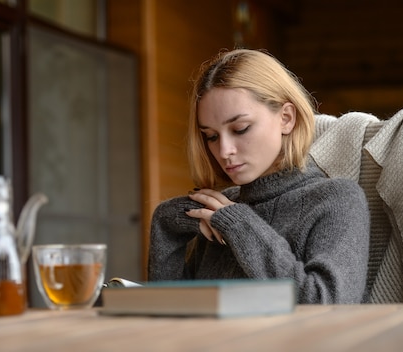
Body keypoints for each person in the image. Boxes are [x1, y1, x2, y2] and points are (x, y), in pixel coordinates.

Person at [148, 48, 370, 304]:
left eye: (240, 129)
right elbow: (173, 312)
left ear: (286, 118)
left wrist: (239, 226)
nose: (223, 151)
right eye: (211, 136)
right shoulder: (217, 207)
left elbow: (328, 306)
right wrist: (166, 224)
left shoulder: (337, 199)